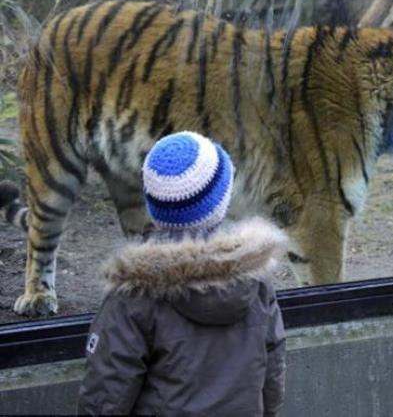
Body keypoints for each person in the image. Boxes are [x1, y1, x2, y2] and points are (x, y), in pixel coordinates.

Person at [78, 131, 287, 416]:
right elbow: (272, 378)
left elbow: (105, 393)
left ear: (153, 204)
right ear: (221, 200)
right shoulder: (255, 280)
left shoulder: (135, 295)